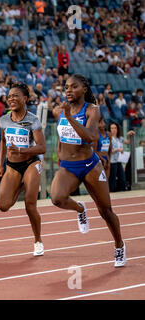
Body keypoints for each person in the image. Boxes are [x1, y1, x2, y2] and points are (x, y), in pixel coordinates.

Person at [50, 74, 125, 267]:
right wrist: (59, 153)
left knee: (106, 211)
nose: (68, 90)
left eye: (74, 87)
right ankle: (80, 208)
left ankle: (119, 245)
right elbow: (61, 135)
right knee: (57, 198)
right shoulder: (58, 111)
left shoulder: (92, 110)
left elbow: (91, 136)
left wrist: (69, 117)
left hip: (89, 165)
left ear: (84, 89)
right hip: (68, 166)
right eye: (66, 87)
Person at [0, 83, 46, 257]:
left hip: (31, 162)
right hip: (12, 165)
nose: (11, 99)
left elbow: (42, 147)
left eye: (15, 96)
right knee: (3, 206)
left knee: (30, 204)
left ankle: (38, 240)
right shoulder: (4, 119)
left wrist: (22, 150)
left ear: (25, 99)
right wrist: (0, 166)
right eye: (9, 96)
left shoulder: (33, 120)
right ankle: (22, 184)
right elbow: (2, 142)